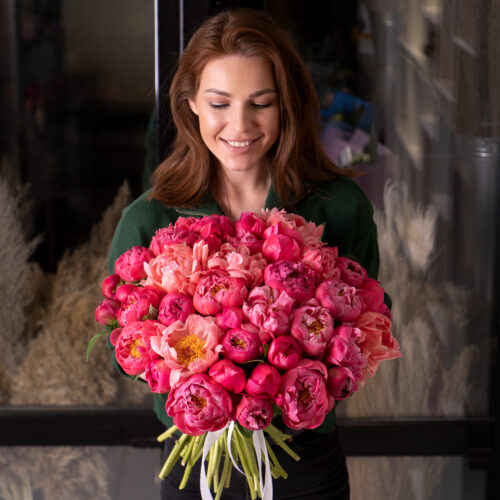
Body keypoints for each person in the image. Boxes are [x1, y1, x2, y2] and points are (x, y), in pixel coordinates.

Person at [108, 8, 386, 499]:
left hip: (305, 465)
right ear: (191, 104)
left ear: (287, 104)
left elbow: (367, 333)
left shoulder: (341, 209)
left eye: (261, 103)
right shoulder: (148, 220)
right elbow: (124, 354)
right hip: (195, 465)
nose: (240, 125)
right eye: (219, 103)